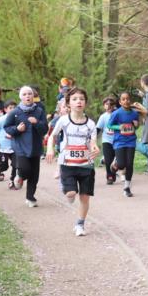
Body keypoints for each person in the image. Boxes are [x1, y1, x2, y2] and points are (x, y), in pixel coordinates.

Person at [46, 88, 100, 236]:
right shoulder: (63, 121)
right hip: (68, 164)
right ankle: (69, 192)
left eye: (82, 99)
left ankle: (80, 224)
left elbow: (93, 142)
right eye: (75, 99)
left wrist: (95, 148)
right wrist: (50, 149)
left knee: (84, 197)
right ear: (69, 103)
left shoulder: (90, 124)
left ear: (86, 103)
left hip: (86, 165)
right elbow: (52, 136)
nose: (79, 101)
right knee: (71, 193)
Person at [4, 85, 48, 207]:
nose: (27, 96)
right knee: (26, 170)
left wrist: (37, 123)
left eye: (30, 94)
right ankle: (21, 176)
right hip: (21, 147)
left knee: (34, 175)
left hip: (35, 147)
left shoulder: (39, 111)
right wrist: (17, 129)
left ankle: (30, 198)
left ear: (33, 96)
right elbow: (7, 128)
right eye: (24, 94)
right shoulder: (15, 112)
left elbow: (45, 129)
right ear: (20, 97)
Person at [107, 91, 141, 197]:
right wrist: (118, 127)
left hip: (131, 141)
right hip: (119, 141)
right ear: (120, 102)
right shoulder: (116, 113)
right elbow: (109, 125)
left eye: (127, 99)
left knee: (129, 164)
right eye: (123, 99)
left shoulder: (134, 113)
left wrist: (137, 125)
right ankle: (116, 163)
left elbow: (136, 126)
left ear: (130, 100)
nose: (126, 101)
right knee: (122, 165)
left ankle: (127, 188)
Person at [0, 101, 16, 182]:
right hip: (3, 147)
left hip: (15, 146)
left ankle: (13, 178)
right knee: (4, 166)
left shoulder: (18, 119)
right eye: (10, 108)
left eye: (14, 108)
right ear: (5, 109)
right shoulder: (2, 119)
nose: (13, 109)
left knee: (16, 164)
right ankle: (0, 171)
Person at [95, 96, 119, 184]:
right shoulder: (103, 117)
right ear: (104, 106)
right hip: (107, 141)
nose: (109, 106)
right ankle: (110, 176)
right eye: (106, 104)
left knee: (119, 161)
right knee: (108, 159)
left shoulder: (118, 114)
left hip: (118, 140)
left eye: (111, 104)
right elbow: (97, 129)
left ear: (114, 105)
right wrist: (92, 140)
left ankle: (114, 170)